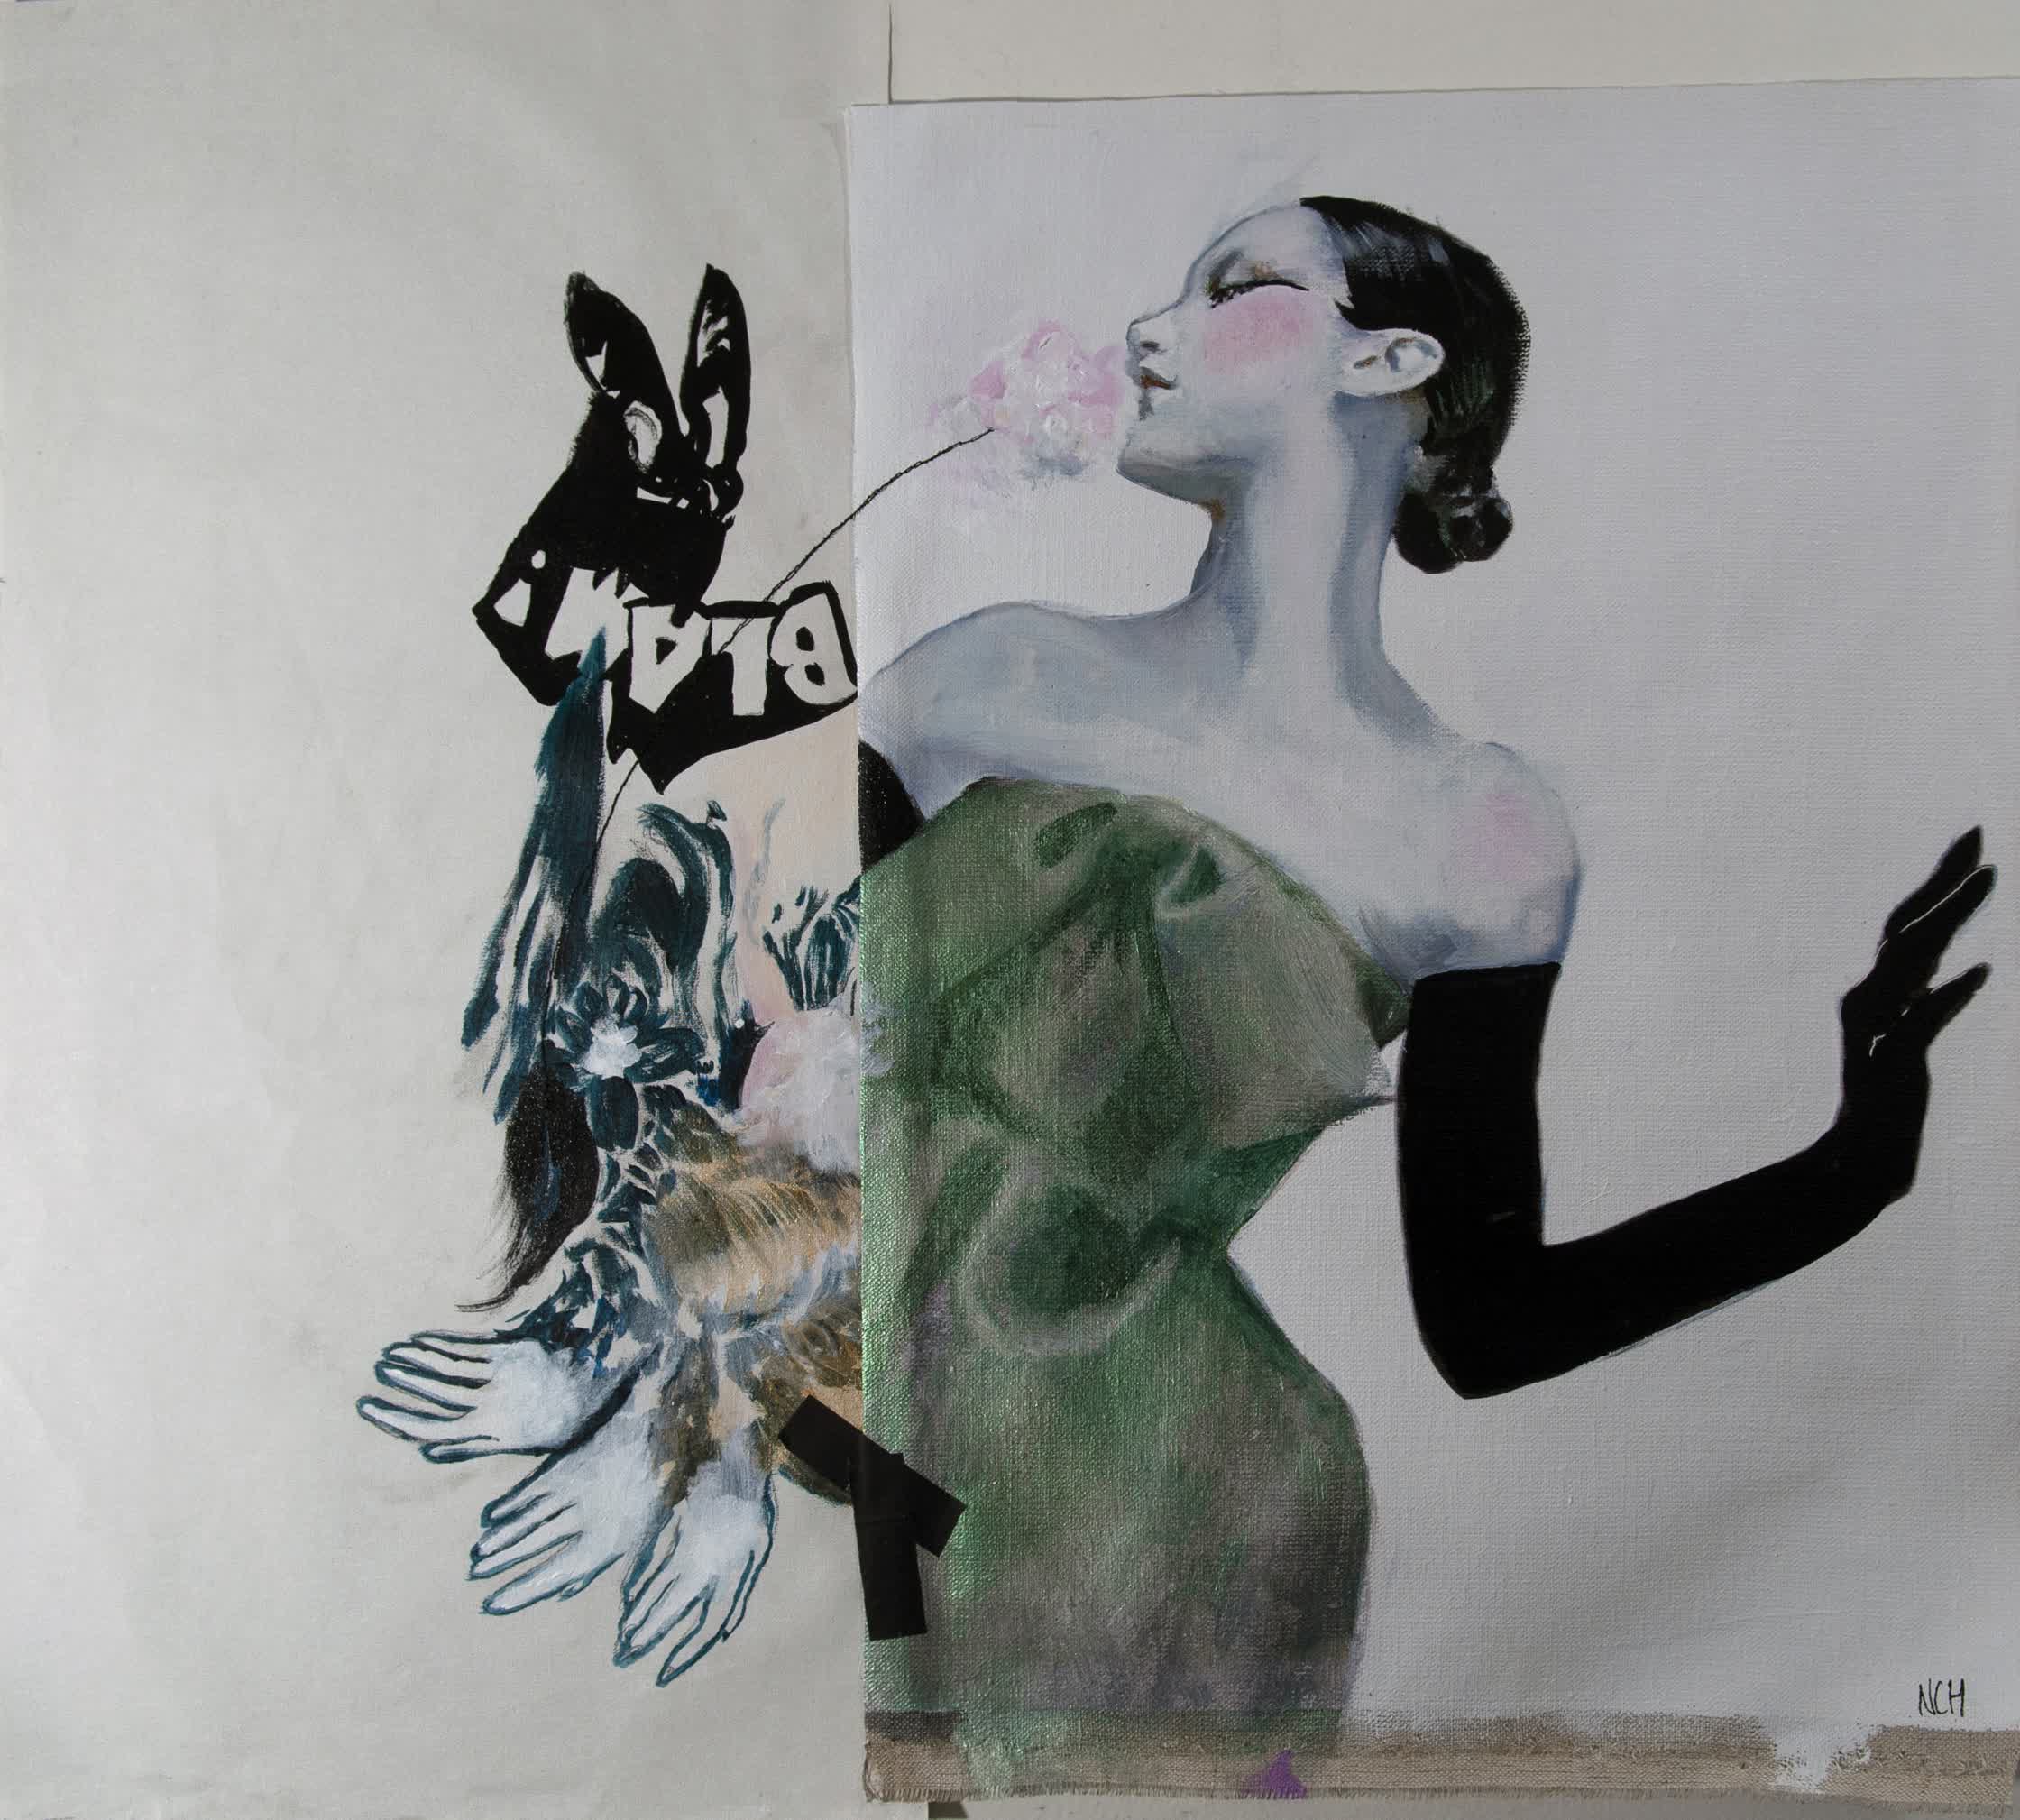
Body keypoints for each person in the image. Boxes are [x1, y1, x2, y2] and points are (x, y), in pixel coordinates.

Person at [854, 198, 1994, 1716]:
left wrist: (1853, 1168)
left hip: (1189, 1525)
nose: (1147, 332)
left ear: (1389, 359)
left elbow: (1488, 1322)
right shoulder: (976, 677)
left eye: (1231, 289)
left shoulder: (1483, 834)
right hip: (872, 1445)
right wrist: (784, 1436)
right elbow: (735, 1124)